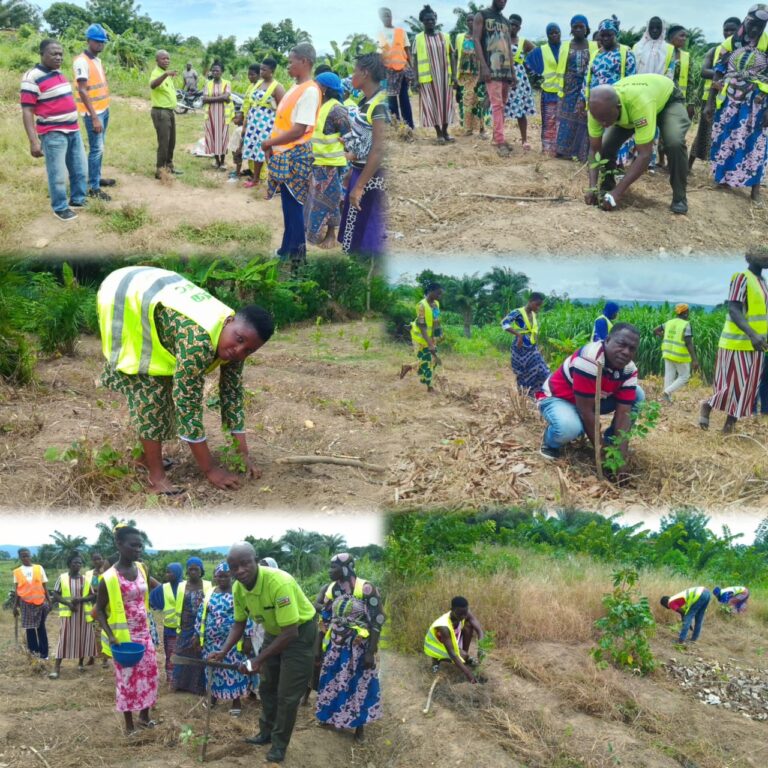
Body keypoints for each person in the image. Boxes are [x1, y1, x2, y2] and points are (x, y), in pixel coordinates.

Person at [97, 265, 275, 494]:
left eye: (248, 350)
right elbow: (188, 407)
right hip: (125, 293)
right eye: (238, 340)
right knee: (151, 394)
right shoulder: (196, 343)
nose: (238, 351)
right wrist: (210, 469)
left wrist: (243, 455)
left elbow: (231, 395)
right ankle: (155, 476)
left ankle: (143, 458)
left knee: (166, 384)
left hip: (153, 287)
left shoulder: (237, 341)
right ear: (229, 322)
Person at [210, 542, 318, 765]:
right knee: (267, 687)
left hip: (299, 633)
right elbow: (239, 624)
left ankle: (279, 745)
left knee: (287, 695)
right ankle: (265, 733)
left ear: (256, 561)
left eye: (245, 563)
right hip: (274, 631)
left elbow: (290, 632)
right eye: (234, 566)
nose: (240, 570)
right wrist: (223, 651)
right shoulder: (239, 588)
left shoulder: (279, 583)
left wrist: (257, 660)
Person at [536, 324, 646, 478]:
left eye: (632, 348)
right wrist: (599, 453)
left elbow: (624, 413)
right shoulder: (589, 359)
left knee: (638, 394)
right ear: (607, 340)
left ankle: (611, 444)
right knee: (568, 428)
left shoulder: (629, 369)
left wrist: (620, 457)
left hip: (591, 399)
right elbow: (586, 411)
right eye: (621, 344)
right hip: (559, 398)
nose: (626, 352)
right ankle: (550, 442)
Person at [587, 75, 691, 214]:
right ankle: (607, 188)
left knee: (674, 142)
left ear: (617, 108)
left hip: (667, 101)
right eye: (599, 120)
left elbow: (644, 154)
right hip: (634, 107)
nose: (603, 124)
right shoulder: (598, 110)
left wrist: (618, 193)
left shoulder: (639, 103)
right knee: (606, 146)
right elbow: (595, 150)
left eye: (606, 119)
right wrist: (592, 188)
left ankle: (680, 197)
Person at [95, 525, 159, 734]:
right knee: (127, 680)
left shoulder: (141, 569)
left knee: (150, 674)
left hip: (144, 633)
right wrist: (111, 635)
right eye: (133, 545)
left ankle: (144, 716)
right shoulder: (109, 578)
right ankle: (129, 725)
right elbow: (99, 611)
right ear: (119, 545)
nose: (138, 549)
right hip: (124, 638)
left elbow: (150, 593)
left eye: (140, 546)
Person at [263, 44, 321, 271]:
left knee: (295, 206)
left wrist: (270, 143)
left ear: (304, 62)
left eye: (291, 61)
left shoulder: (309, 90)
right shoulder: (294, 88)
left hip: (295, 155)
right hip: (284, 153)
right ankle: (286, 250)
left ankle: (298, 259)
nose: (287, 65)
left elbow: (299, 129)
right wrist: (272, 144)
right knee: (288, 205)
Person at [315, 553, 384, 741]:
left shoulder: (366, 588)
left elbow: (377, 620)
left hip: (358, 648)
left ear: (346, 568)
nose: (330, 571)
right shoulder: (334, 589)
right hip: (336, 645)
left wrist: (371, 651)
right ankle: (330, 717)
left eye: (333, 567)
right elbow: (327, 614)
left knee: (359, 684)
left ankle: (359, 727)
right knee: (332, 682)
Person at [700, 247, 768, 433]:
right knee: (731, 387)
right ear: (750, 256)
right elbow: (734, 309)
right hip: (737, 343)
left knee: (748, 390)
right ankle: (708, 405)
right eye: (763, 253)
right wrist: (752, 333)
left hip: (758, 346)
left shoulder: (762, 281)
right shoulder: (741, 277)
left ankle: (728, 427)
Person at [20, 39, 87, 222]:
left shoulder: (58, 72)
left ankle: (78, 199)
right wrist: (34, 141)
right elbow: (27, 110)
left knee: (79, 168)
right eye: (53, 54)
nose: (58, 57)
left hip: (73, 129)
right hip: (53, 132)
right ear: (42, 54)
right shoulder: (31, 77)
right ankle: (60, 207)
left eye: (60, 54)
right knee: (57, 173)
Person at [708, 6, 768, 206]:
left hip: (757, 103)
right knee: (726, 137)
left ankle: (755, 190)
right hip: (730, 100)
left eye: (760, 26)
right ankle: (722, 180)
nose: (755, 30)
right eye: (752, 24)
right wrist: (710, 101)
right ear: (746, 21)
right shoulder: (732, 42)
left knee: (755, 143)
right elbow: (718, 70)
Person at [339, 53, 388, 258]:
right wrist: (352, 168)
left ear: (365, 73)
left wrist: (359, 186)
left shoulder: (379, 104)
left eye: (354, 71)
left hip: (371, 178)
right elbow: (365, 143)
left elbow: (378, 149)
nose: (351, 76)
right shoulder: (366, 101)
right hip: (360, 172)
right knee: (356, 228)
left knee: (367, 230)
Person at [195, 562, 252, 714]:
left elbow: (247, 617)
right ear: (214, 577)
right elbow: (202, 614)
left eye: (226, 576)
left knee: (234, 670)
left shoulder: (238, 593)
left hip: (233, 643)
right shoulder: (210, 593)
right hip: (211, 643)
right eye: (219, 576)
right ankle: (213, 697)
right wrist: (197, 635)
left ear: (231, 577)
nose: (222, 579)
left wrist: (248, 638)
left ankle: (236, 701)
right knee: (213, 669)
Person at [689, 17, 742, 170]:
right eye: (726, 29)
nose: (729, 32)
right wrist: (727, 74)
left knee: (728, 136)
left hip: (734, 101)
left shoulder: (745, 53)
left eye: (733, 29)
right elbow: (704, 71)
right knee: (702, 135)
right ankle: (688, 167)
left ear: (740, 30)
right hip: (712, 99)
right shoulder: (715, 50)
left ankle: (721, 172)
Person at [305, 72, 350, 249]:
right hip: (318, 162)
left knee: (331, 201)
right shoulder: (321, 107)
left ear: (324, 89)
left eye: (317, 85)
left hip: (332, 164)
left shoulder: (337, 109)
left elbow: (349, 136)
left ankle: (331, 235)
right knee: (317, 200)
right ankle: (316, 233)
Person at [73, 23, 113, 201]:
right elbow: (82, 90)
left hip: (103, 110)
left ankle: (96, 178)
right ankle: (93, 187)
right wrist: (95, 117)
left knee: (100, 148)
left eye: (102, 42)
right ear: (88, 40)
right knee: (96, 149)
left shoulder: (97, 60)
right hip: (93, 114)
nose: (100, 45)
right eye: (97, 42)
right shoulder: (82, 61)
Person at [474, 0, 516, 155]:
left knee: (502, 104)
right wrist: (484, 66)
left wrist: (513, 71)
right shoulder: (482, 15)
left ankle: (497, 136)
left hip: (505, 70)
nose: (503, 2)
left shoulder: (505, 21)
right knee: (497, 104)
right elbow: (476, 39)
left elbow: (509, 48)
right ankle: (500, 140)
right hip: (491, 68)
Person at [554, 16, 596, 163]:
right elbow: (561, 67)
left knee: (584, 118)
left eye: (581, 27)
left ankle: (582, 153)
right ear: (571, 29)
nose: (578, 30)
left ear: (586, 29)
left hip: (586, 85)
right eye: (575, 27)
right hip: (569, 87)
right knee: (567, 118)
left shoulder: (593, 46)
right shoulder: (565, 45)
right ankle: (562, 150)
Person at [49, 551, 98, 678]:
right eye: (75, 562)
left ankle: (80, 663)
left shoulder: (85, 579)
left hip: (84, 615)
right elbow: (55, 594)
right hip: (69, 614)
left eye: (80, 563)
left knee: (83, 638)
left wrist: (80, 599)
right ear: (69, 564)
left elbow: (93, 595)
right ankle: (56, 667)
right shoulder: (62, 578)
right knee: (64, 639)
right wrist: (68, 603)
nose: (78, 565)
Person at [413, 5, 456, 143]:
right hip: (428, 78)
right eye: (427, 20)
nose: (430, 22)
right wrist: (415, 79)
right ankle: (438, 134)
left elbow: (452, 55)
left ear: (436, 19)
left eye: (432, 19)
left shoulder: (446, 36)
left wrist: (454, 75)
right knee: (432, 105)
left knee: (447, 104)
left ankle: (445, 132)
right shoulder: (418, 38)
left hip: (444, 77)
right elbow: (414, 59)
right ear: (422, 21)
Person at [170, 557, 213, 694]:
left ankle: (198, 686)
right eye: (190, 569)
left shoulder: (208, 585)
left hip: (201, 625)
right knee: (182, 652)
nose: (193, 572)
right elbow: (179, 606)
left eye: (196, 569)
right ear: (187, 571)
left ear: (201, 571)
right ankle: (180, 684)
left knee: (199, 653)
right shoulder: (182, 585)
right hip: (185, 625)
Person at [241, 59, 284, 189]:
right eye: (261, 69)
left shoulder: (277, 87)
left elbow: (283, 108)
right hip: (254, 122)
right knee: (255, 150)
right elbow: (251, 103)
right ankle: (256, 179)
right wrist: (246, 123)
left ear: (272, 71)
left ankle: (276, 182)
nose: (261, 72)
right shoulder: (258, 83)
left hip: (266, 124)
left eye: (264, 70)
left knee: (267, 152)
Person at [423, 596, 483, 684]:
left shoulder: (465, 612)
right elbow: (453, 654)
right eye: (460, 614)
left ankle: (463, 658)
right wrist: (468, 674)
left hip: (451, 640)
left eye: (465, 613)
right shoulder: (443, 625)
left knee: (468, 626)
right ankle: (436, 661)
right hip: (436, 646)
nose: (463, 616)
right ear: (452, 609)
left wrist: (481, 648)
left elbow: (480, 631)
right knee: (461, 656)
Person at [501, 292, 550, 396]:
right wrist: (518, 335)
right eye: (537, 304)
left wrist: (537, 345)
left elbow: (533, 331)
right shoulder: (517, 312)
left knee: (543, 372)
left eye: (540, 305)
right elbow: (504, 323)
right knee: (523, 374)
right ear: (530, 301)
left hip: (532, 348)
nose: (538, 307)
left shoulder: (533, 314)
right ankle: (524, 397)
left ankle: (537, 394)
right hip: (520, 348)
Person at [526, 23, 562, 155]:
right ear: (547, 35)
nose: (554, 35)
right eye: (551, 33)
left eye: (556, 32)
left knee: (561, 122)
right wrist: (537, 75)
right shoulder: (543, 50)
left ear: (560, 33)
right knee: (549, 121)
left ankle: (560, 149)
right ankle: (548, 149)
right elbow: (528, 61)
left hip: (564, 92)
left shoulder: (565, 48)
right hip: (549, 91)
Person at [401, 282, 443, 392]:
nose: (439, 296)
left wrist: (436, 337)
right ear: (431, 291)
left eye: (440, 294)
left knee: (432, 360)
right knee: (427, 360)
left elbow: (435, 321)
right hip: (420, 338)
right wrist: (429, 344)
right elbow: (422, 326)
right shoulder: (421, 306)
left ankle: (408, 366)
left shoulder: (436, 304)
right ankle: (430, 387)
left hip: (430, 337)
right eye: (438, 294)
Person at [653, 304, 699, 403]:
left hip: (668, 353)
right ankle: (666, 392)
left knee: (669, 376)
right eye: (688, 311)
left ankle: (666, 399)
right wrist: (694, 359)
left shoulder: (669, 323)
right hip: (679, 355)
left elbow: (655, 330)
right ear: (685, 313)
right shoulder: (686, 324)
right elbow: (689, 343)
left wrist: (663, 336)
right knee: (685, 376)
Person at [379, 7, 414, 129]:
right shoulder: (379, 34)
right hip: (388, 73)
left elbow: (407, 51)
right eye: (383, 15)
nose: (386, 17)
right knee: (391, 101)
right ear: (380, 18)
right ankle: (396, 127)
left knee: (404, 99)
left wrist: (412, 69)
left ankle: (409, 127)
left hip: (402, 70)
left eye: (388, 15)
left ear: (391, 16)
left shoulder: (400, 32)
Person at [13, 547, 51, 659]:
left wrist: (49, 601)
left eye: (27, 555)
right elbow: (17, 590)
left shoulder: (39, 568)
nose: (26, 558)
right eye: (23, 556)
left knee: (41, 628)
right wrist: (15, 605)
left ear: (31, 556)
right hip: (25, 604)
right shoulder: (17, 572)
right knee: (30, 630)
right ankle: (34, 653)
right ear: (20, 557)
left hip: (40, 603)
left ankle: (44, 654)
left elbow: (45, 586)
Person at [504, 14, 536, 149]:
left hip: (519, 80)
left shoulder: (523, 42)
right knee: (500, 108)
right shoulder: (500, 39)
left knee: (521, 111)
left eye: (516, 25)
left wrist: (529, 66)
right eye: (511, 24)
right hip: (503, 76)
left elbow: (537, 53)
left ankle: (524, 140)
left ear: (519, 27)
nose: (513, 27)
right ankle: (499, 138)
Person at [148, 562, 183, 681]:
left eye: (169, 572)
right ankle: (171, 679)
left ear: (177, 573)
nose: (167, 574)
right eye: (166, 572)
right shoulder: (163, 588)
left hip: (185, 629)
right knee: (170, 654)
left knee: (184, 655)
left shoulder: (186, 587)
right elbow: (152, 599)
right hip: (170, 629)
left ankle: (182, 679)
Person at [149, 50, 181, 179]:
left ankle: (169, 166)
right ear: (157, 60)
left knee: (171, 141)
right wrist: (165, 75)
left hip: (169, 111)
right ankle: (160, 170)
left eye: (168, 58)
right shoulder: (157, 73)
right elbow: (153, 85)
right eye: (163, 58)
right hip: (161, 112)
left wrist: (166, 75)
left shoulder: (164, 74)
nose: (166, 60)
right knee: (164, 142)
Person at [585, 18, 636, 98]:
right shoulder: (595, 54)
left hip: (615, 102)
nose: (605, 38)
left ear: (616, 35)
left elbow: (631, 81)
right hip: (595, 101)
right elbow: (587, 77)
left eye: (609, 35)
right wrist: (583, 98)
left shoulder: (626, 53)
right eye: (602, 35)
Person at [455, 13, 486, 137]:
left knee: (480, 101)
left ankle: (482, 129)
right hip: (465, 76)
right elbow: (456, 55)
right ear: (465, 22)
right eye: (468, 20)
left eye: (473, 20)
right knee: (467, 103)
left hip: (479, 75)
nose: (470, 22)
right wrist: (454, 77)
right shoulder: (460, 37)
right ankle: (468, 129)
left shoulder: (482, 37)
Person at [202, 61, 232, 171]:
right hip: (211, 115)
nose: (215, 72)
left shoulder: (227, 83)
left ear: (222, 72)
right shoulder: (208, 84)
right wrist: (221, 97)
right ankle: (217, 161)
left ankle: (223, 162)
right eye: (213, 70)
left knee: (223, 138)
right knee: (213, 137)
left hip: (223, 115)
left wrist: (210, 99)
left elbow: (226, 97)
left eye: (217, 70)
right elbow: (204, 99)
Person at [228, 111, 244, 181]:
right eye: (234, 118)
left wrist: (240, 149)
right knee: (236, 161)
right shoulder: (239, 128)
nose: (234, 120)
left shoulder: (241, 129)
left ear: (243, 120)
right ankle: (237, 171)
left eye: (237, 118)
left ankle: (237, 174)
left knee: (238, 161)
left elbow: (242, 139)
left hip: (237, 149)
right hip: (235, 148)